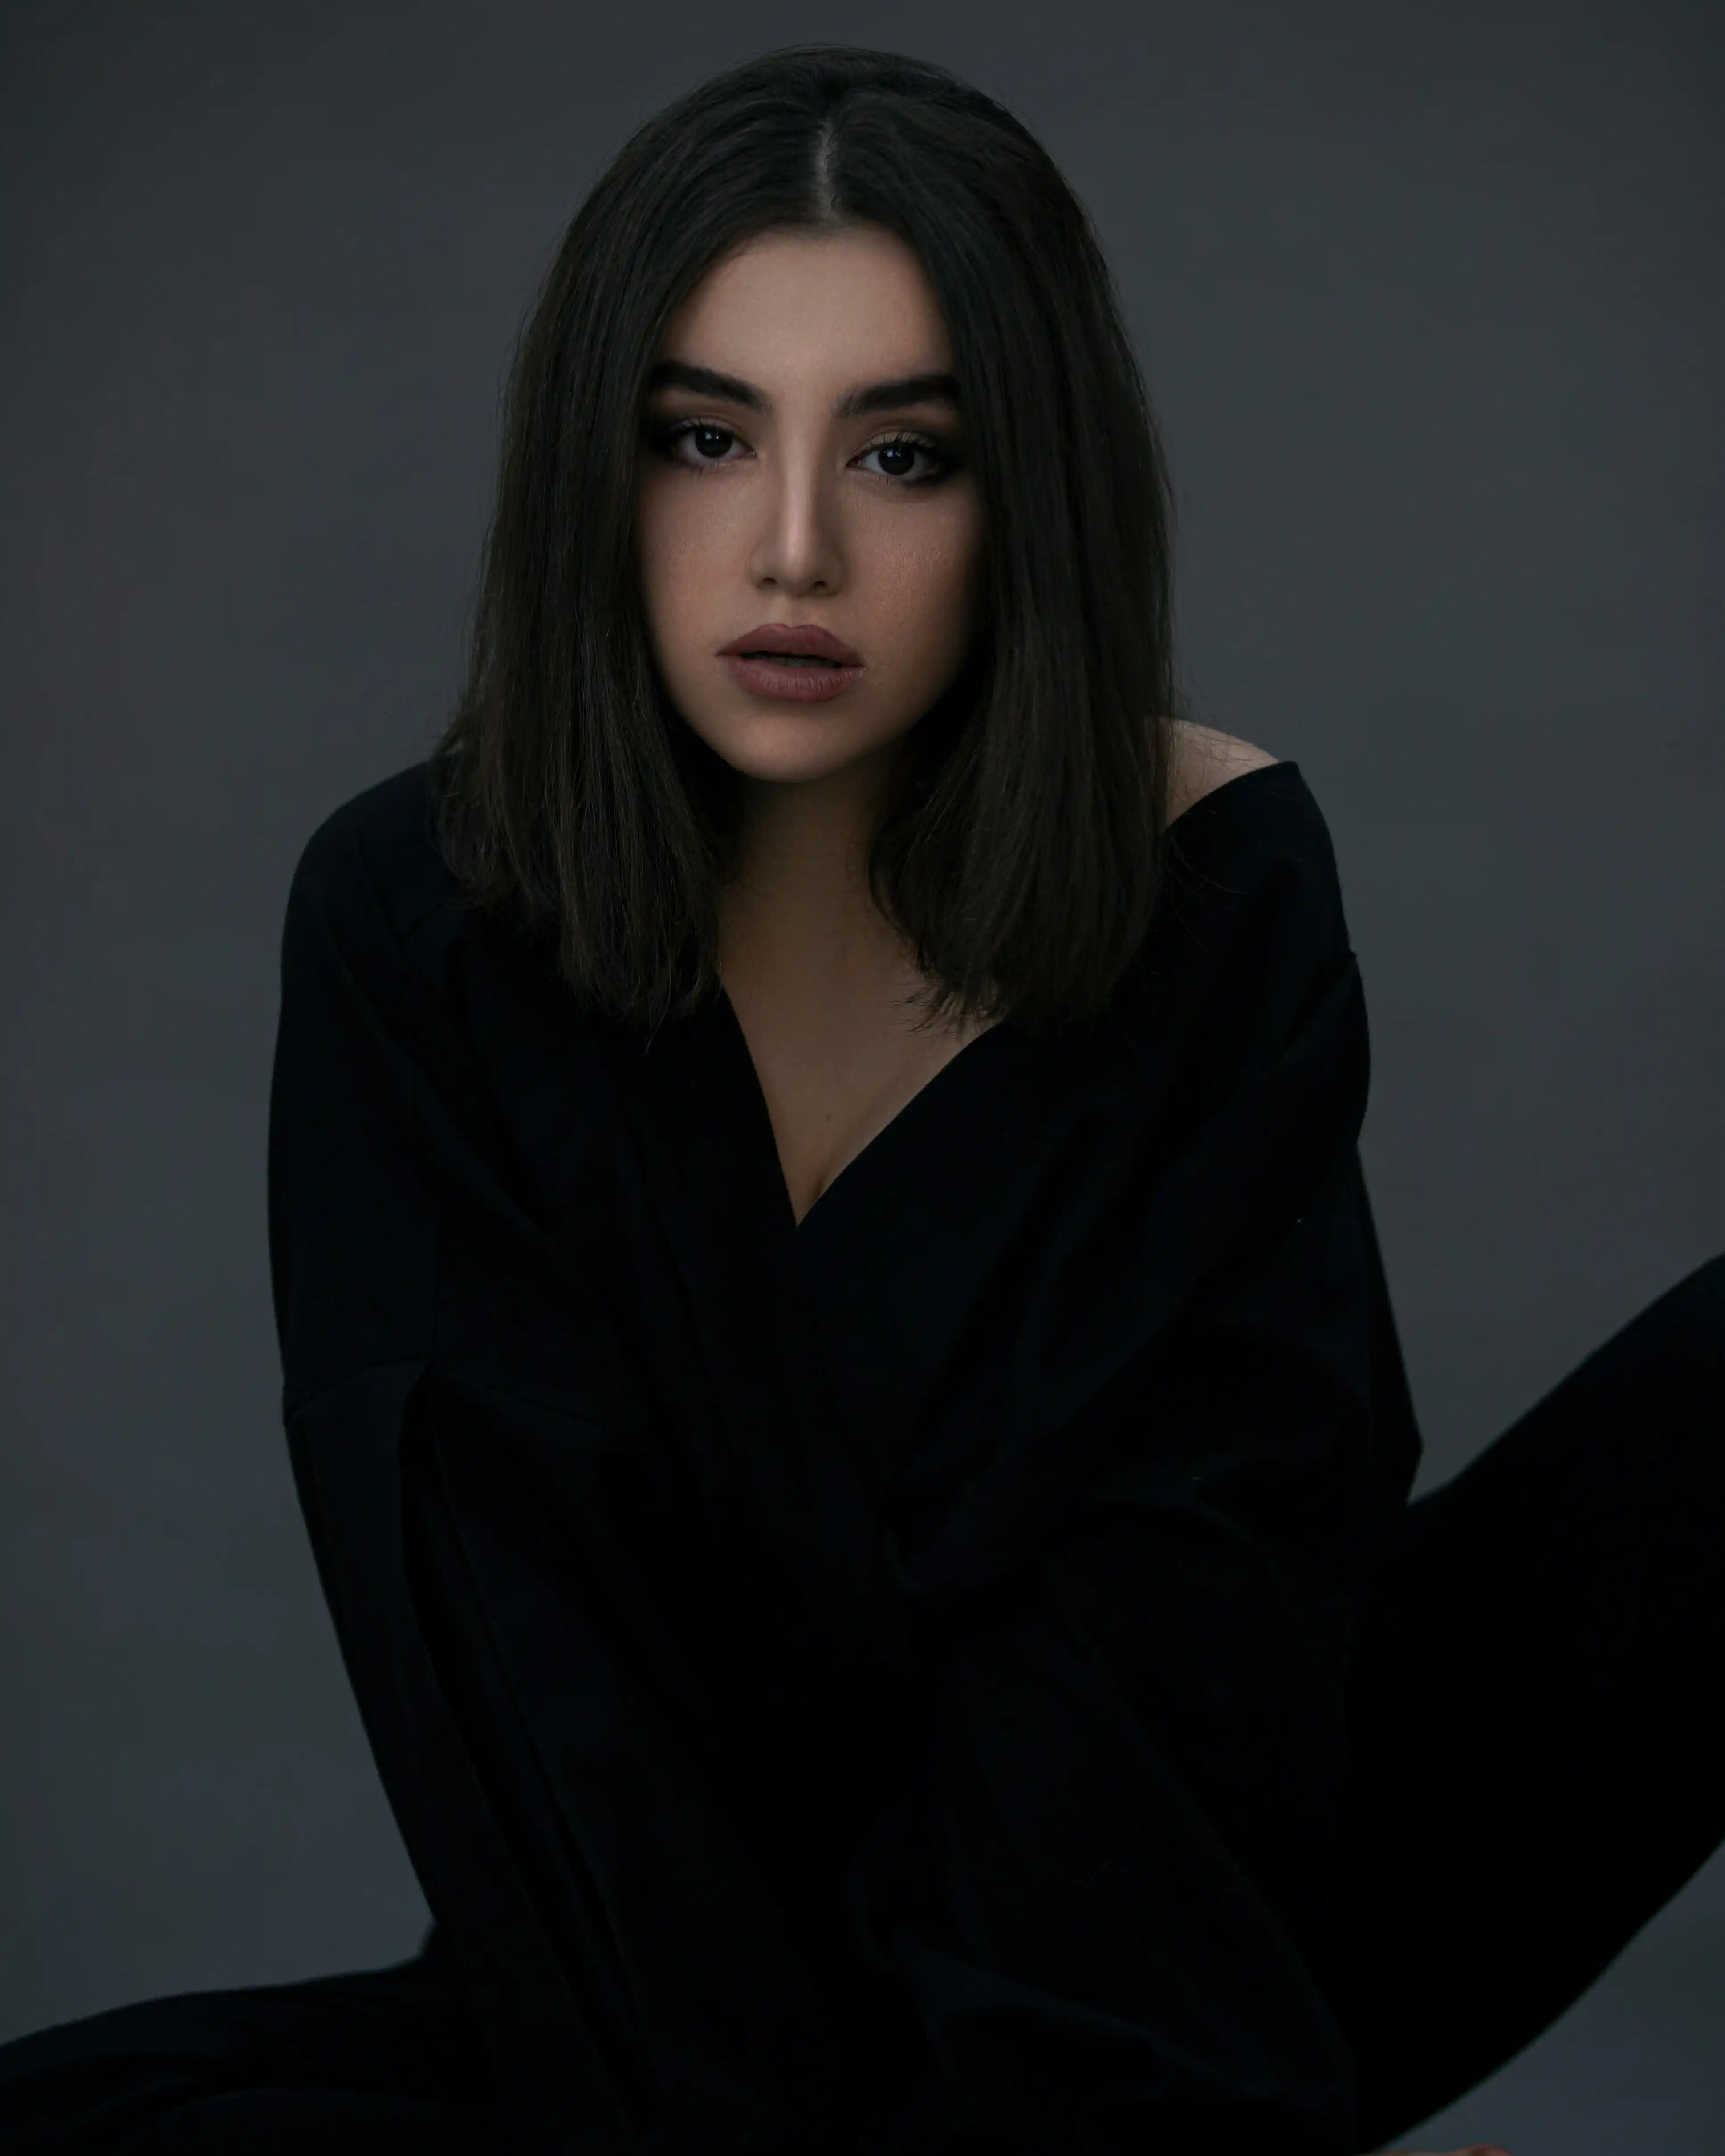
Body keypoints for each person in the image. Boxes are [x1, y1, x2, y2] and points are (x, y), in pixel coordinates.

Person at [0, 40, 1717, 2156]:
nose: (791, 548)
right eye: (704, 439)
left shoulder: (1207, 877)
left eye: (903, 457)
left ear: (1031, 503)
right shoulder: (411, 923)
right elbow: (535, 1717)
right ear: (592, 477)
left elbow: (1189, 1624)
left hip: (1170, 1940)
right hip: (655, 2011)